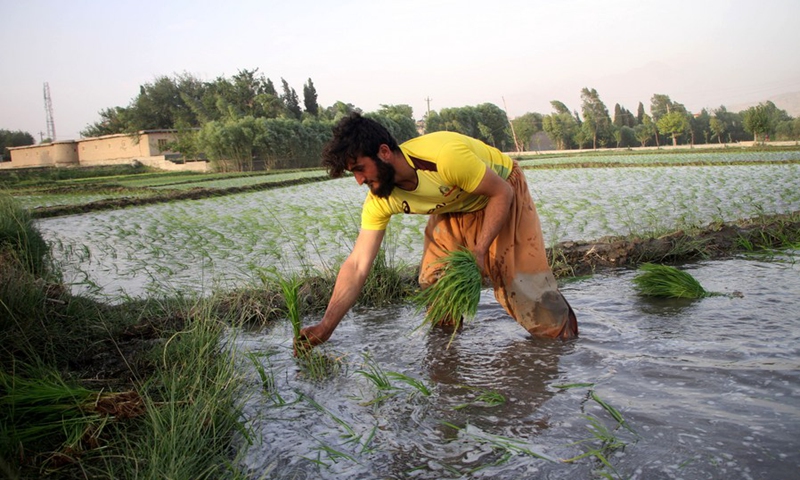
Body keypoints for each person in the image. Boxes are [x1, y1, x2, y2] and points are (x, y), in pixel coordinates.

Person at [297, 113, 577, 349]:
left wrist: (480, 251)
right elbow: (358, 265)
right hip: (453, 204)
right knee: (437, 281)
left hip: (499, 190)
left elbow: (500, 193)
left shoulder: (444, 157)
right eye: (353, 174)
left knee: (521, 286)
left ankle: (565, 345)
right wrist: (326, 326)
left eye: (360, 169)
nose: (359, 181)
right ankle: (446, 355)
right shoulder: (379, 199)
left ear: (384, 152)